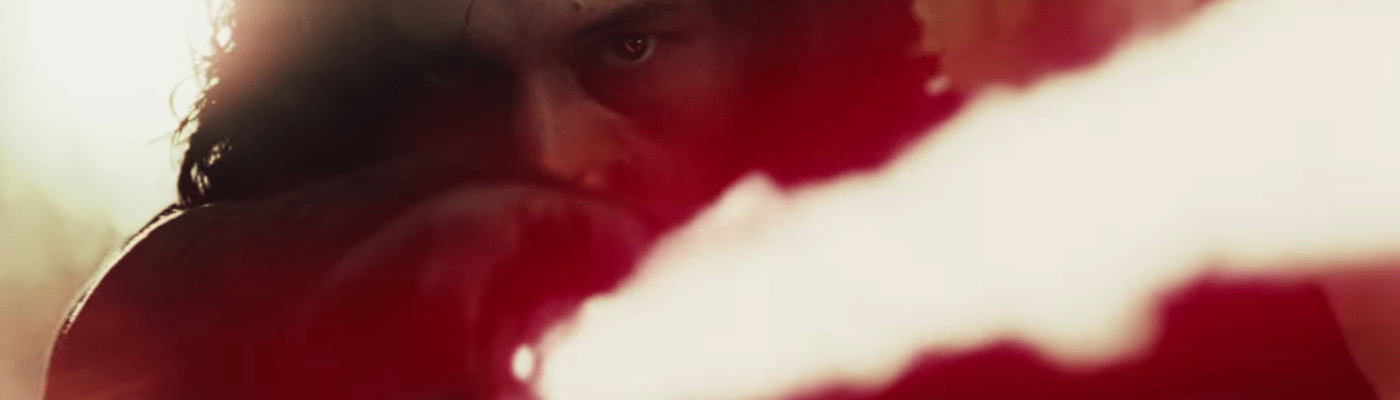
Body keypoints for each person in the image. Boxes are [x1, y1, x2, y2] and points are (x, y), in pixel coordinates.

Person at [40, 0, 1383, 399]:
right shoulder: (256, 317)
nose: (552, 149)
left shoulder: (1118, 294)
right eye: (456, 78)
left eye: (626, 49)